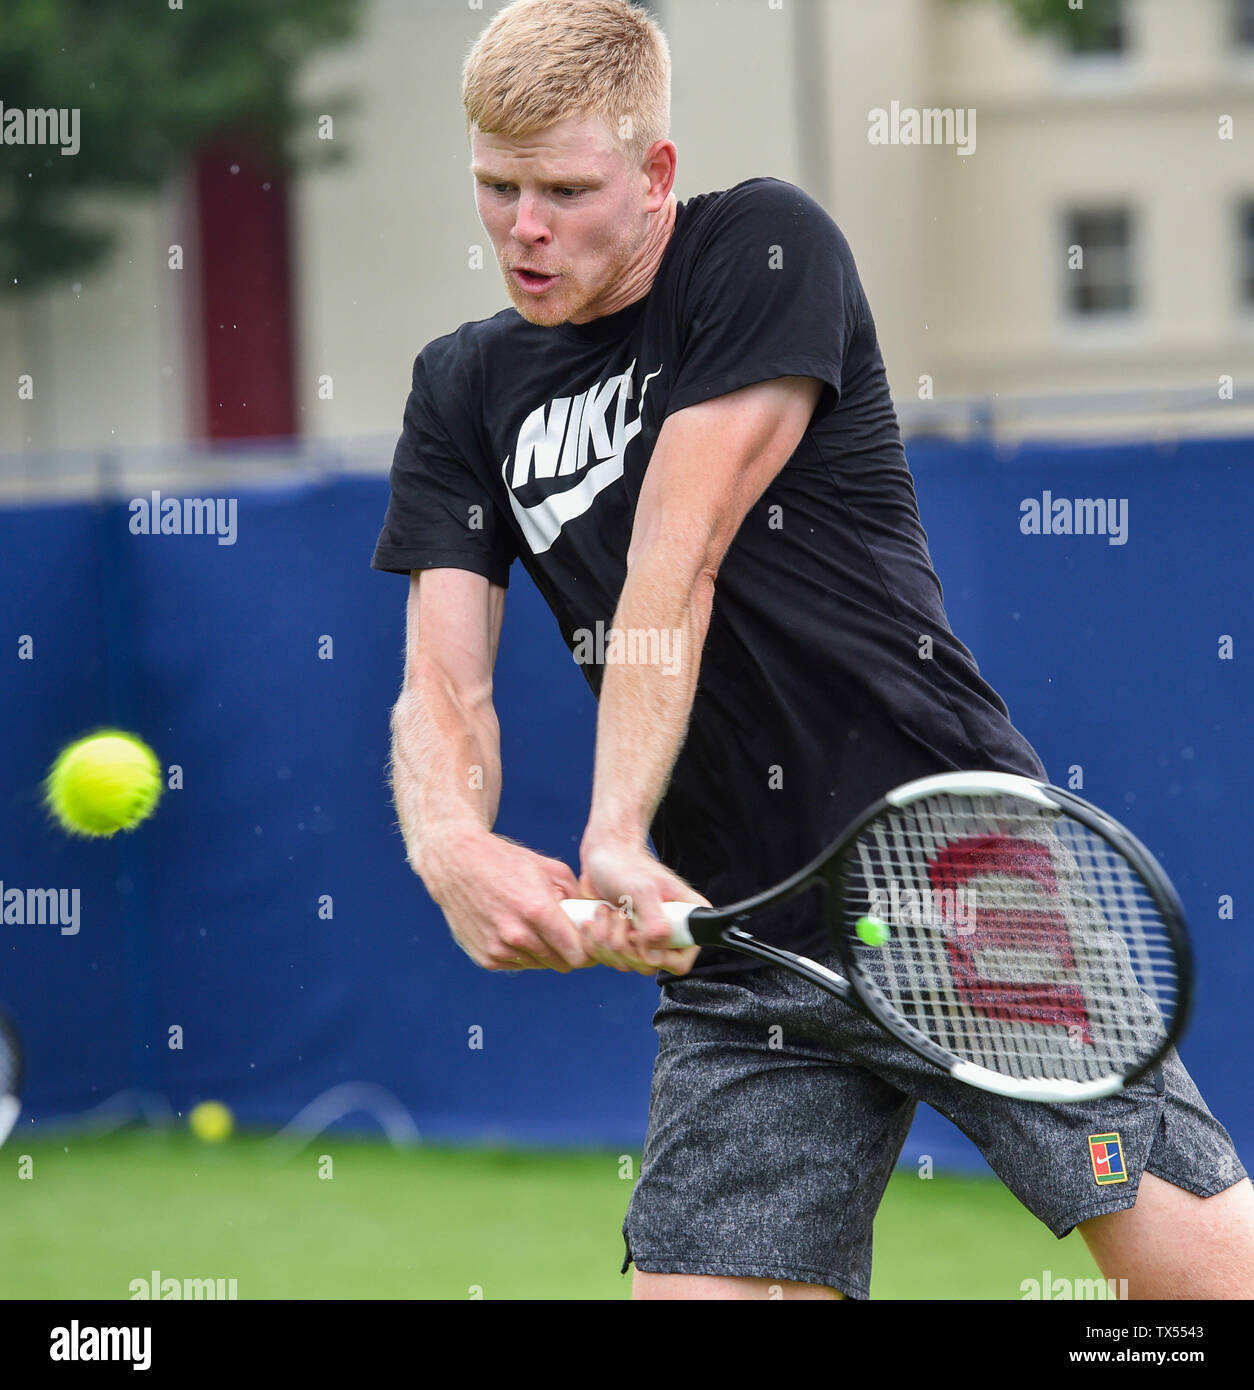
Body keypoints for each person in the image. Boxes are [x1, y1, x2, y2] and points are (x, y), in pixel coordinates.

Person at [372, 0, 1253, 1299]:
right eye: (496, 187)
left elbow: (676, 558)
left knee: (1199, 1282)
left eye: (565, 187)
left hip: (950, 863)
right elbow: (441, 684)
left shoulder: (761, 245)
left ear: (655, 172)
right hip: (738, 944)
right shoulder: (461, 386)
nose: (524, 226)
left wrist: (612, 833)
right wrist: (450, 845)